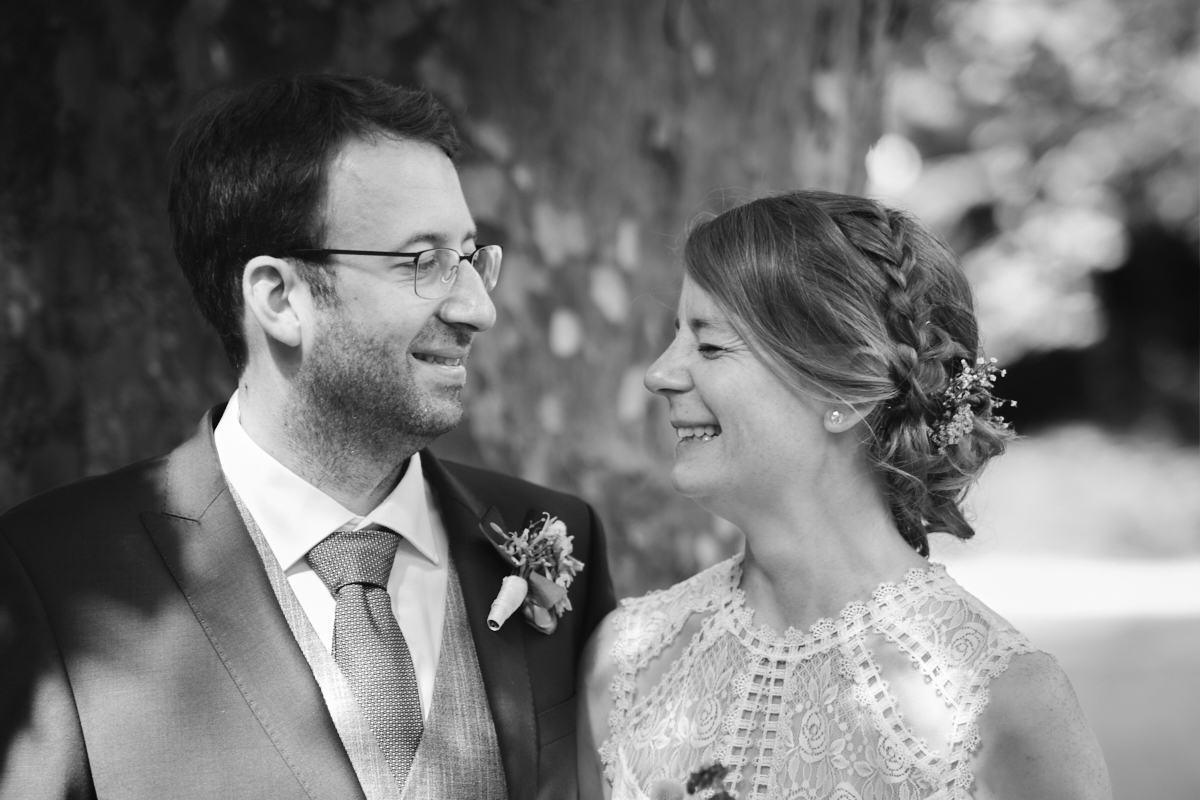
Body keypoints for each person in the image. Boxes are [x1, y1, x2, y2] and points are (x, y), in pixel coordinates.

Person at [0, 74, 614, 800]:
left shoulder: (556, 537)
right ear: (278, 298)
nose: (478, 309)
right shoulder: (51, 579)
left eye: (472, 256)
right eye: (424, 262)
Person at [578, 191, 1111, 800]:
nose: (660, 374)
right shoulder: (625, 663)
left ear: (845, 391)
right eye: (677, 336)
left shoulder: (1007, 701)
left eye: (710, 345)